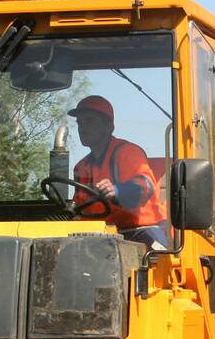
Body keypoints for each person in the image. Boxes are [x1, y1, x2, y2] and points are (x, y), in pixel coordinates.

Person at [68, 95, 169, 248]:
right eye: (79, 123)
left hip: (140, 231)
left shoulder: (127, 152)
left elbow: (144, 186)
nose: (82, 128)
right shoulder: (81, 166)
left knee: (157, 260)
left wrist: (116, 191)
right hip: (103, 235)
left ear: (109, 126)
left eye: (88, 121)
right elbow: (80, 209)